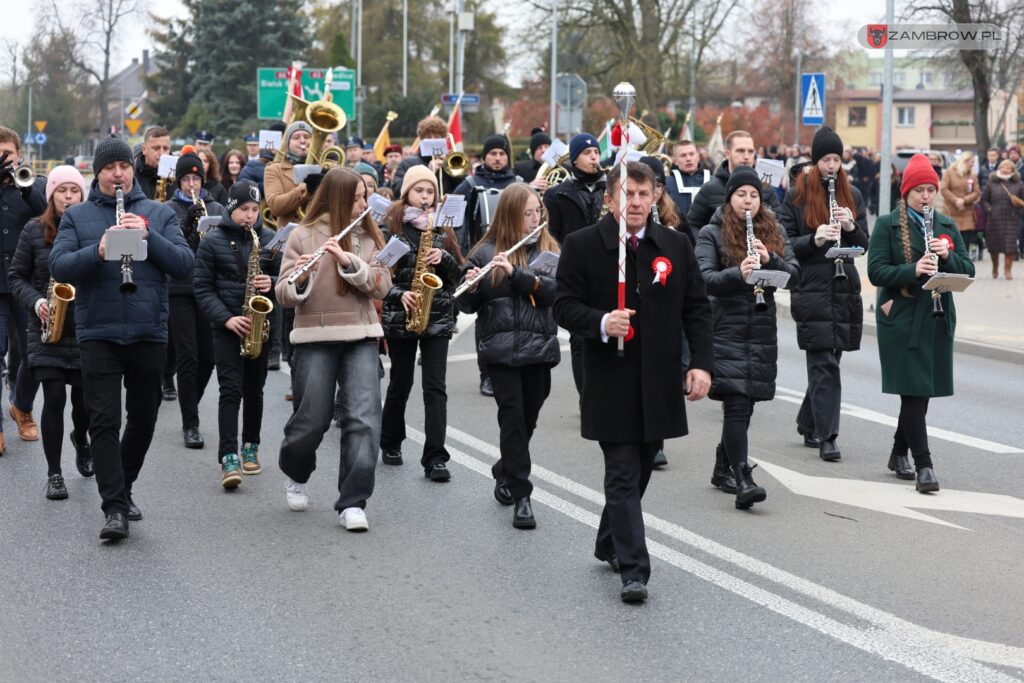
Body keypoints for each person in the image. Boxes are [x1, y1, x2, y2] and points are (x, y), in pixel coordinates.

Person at [554, 161, 714, 603]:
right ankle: (634, 569)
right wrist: (602, 321)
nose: (637, 202)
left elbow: (696, 309)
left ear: (655, 198)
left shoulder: (676, 246)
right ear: (609, 200)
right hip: (609, 376)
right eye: (628, 194)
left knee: (642, 469)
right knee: (622, 473)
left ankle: (609, 539)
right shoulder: (583, 245)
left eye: (644, 194)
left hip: (659, 378)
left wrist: (700, 364)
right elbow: (563, 305)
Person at [49, 134, 194, 540]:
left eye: (124, 167)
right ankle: (113, 507)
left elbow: (185, 264)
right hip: (99, 330)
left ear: (132, 170)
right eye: (110, 168)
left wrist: (147, 234)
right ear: (98, 173)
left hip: (149, 329)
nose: (118, 174)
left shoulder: (158, 213)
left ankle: (124, 486)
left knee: (145, 418)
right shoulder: (78, 217)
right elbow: (59, 266)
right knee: (104, 421)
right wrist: (96, 251)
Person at [275, 168, 391, 527]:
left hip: (360, 335)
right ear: (337, 197)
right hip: (315, 335)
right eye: (357, 197)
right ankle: (296, 471)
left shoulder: (371, 236)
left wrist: (349, 261)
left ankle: (353, 501)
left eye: (365, 196)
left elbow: (382, 284)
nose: (363, 203)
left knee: (363, 419)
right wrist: (302, 275)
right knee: (311, 420)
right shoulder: (303, 235)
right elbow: (282, 294)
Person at [867, 153, 975, 491]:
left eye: (930, 189)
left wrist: (947, 257)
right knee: (914, 393)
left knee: (922, 393)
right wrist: (912, 270)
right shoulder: (887, 225)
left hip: (937, 317)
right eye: (919, 191)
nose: (926, 196)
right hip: (900, 316)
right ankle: (924, 466)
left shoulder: (945, 225)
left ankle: (899, 451)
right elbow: (875, 271)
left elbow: (968, 269)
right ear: (906, 193)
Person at [457, 184, 560, 529]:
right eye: (527, 214)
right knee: (513, 418)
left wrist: (519, 276)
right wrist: (471, 286)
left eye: (537, 213)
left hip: (539, 349)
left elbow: (556, 293)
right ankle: (522, 495)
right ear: (509, 216)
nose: (534, 220)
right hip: (500, 352)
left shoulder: (548, 251)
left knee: (527, 419)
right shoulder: (485, 252)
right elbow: (466, 304)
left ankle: (505, 468)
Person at [696, 165, 800, 509]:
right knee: (737, 403)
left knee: (748, 403)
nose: (748, 201)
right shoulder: (712, 233)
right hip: (725, 326)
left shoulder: (774, 229)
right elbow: (704, 278)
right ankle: (743, 477)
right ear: (730, 199)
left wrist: (774, 262)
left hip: (760, 326)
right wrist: (736, 273)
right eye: (741, 194)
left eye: (754, 195)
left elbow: (795, 276)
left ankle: (721, 465)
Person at [777, 127, 868, 463]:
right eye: (826, 160)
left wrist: (849, 227)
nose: (832, 166)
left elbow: (864, 244)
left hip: (844, 287)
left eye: (836, 159)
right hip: (812, 287)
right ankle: (828, 437)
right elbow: (784, 243)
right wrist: (814, 239)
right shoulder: (796, 196)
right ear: (815, 162)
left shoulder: (853, 195)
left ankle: (807, 421)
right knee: (823, 363)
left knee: (832, 359)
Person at [9, 166, 92, 498]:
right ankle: (54, 473)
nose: (68, 197)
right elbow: (16, 276)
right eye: (62, 191)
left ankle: (82, 439)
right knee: (54, 398)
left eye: (74, 191)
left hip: (85, 328)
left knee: (85, 404)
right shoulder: (33, 230)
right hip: (46, 329)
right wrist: (37, 302)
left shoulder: (91, 228)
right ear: (52, 195)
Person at [379, 165, 463, 481]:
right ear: (407, 194)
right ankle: (390, 441)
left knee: (435, 387)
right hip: (403, 313)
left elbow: (459, 278)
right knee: (401, 381)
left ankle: (435, 457)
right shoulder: (392, 228)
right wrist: (400, 293)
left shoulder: (445, 229)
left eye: (430, 192)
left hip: (438, 314)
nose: (426, 197)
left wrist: (448, 260)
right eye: (419, 191)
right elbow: (380, 274)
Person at [193, 180, 279, 489]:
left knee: (255, 390)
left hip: (259, 325)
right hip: (228, 327)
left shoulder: (269, 240)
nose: (250, 216)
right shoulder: (212, 241)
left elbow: (284, 281)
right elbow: (201, 288)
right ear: (231, 208)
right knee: (230, 390)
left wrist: (272, 281)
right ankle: (228, 456)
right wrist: (227, 319)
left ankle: (251, 446)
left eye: (255, 210)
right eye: (244, 209)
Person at [165, 150, 225, 449]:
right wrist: (188, 224)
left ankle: (191, 402)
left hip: (209, 287)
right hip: (179, 288)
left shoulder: (215, 206)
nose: (192, 184)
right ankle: (191, 423)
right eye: (186, 178)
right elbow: (173, 247)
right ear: (179, 181)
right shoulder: (170, 208)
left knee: (208, 358)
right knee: (187, 355)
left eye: (196, 178)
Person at [544, 132, 607, 399]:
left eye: (596, 153)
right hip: (576, 271)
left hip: (607, 268)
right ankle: (587, 395)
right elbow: (551, 235)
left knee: (607, 331)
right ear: (575, 159)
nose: (594, 157)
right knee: (580, 337)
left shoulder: (612, 187)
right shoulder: (557, 194)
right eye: (587, 154)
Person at [0, 126, 48, 453]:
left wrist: (23, 185)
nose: (4, 161)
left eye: (8, 156)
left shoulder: (33, 184)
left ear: (19, 156)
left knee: (35, 355)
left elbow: (49, 212)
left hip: (25, 284)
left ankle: (22, 406)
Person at [687, 130, 782, 235]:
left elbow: (779, 224)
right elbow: (692, 225)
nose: (746, 156)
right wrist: (707, 245)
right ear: (727, 154)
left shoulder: (766, 188)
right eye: (740, 151)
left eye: (750, 151)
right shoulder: (709, 189)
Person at [265, 121, 320, 228]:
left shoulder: (323, 167)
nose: (303, 140)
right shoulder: (274, 169)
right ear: (288, 143)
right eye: (296, 137)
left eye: (307, 137)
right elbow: (276, 207)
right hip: (290, 236)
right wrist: (304, 188)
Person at [389, 116, 460, 197]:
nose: (432, 140)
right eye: (428, 137)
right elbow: (397, 190)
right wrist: (426, 172)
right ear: (421, 140)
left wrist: (454, 168)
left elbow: (463, 189)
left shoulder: (449, 162)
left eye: (437, 137)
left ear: (443, 140)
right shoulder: (407, 163)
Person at [980, 158, 1023, 279]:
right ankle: (995, 267)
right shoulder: (991, 183)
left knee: (1010, 246)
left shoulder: (1019, 183)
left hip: (1012, 218)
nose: (1005, 170)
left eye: (1008, 168)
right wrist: (989, 210)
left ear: (1012, 170)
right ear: (999, 169)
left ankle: (1007, 270)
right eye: (1003, 167)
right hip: (994, 219)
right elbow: (984, 199)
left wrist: (1019, 212)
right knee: (994, 246)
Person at [940, 152, 981, 261]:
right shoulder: (949, 172)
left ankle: (963, 267)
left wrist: (964, 200)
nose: (973, 165)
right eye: (972, 162)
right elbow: (944, 189)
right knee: (951, 244)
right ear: (965, 161)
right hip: (951, 213)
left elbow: (977, 192)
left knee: (965, 244)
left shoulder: (972, 176)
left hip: (967, 213)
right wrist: (956, 200)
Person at [664, 139, 709, 232]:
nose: (688, 158)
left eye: (691, 154)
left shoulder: (713, 181)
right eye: (683, 155)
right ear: (675, 161)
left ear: (698, 157)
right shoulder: (666, 183)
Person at [133, 126, 171, 200]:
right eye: (156, 148)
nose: (162, 153)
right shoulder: (132, 176)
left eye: (166, 149)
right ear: (144, 149)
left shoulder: (178, 176)